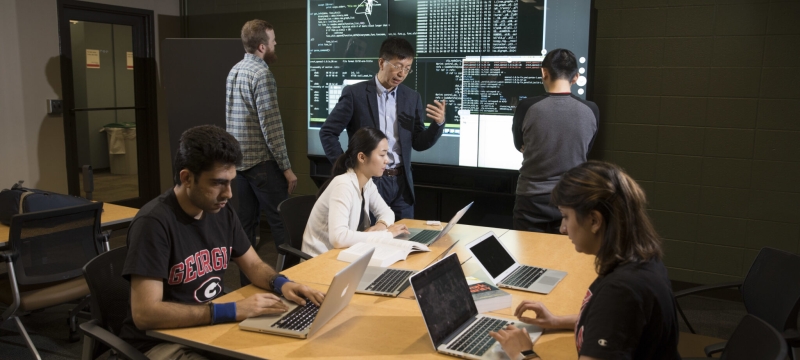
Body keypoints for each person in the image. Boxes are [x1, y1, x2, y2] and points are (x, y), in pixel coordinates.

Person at [120, 125, 324, 360]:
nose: (228, 194)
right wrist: (233, 310)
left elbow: (254, 265)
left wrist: (282, 284)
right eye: (218, 183)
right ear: (187, 178)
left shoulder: (220, 211)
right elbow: (146, 313)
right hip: (161, 343)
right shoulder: (153, 223)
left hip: (208, 328)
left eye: (230, 182)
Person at [490, 161, 680, 360]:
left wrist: (523, 353)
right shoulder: (641, 258)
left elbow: (613, 314)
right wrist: (556, 321)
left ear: (595, 221)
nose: (563, 228)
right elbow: (612, 324)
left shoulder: (620, 292)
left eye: (566, 217)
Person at [320, 37, 446, 221]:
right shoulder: (355, 94)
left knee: (405, 238)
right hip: (370, 180)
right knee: (371, 238)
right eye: (397, 66)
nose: (402, 73)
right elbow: (328, 132)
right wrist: (347, 168)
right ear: (381, 62)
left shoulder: (412, 98)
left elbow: (418, 142)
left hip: (402, 184)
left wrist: (438, 125)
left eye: (407, 68)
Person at [226, 19, 296, 286]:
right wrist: (287, 168)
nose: (276, 43)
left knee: (245, 231)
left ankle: (247, 289)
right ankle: (293, 285)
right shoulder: (262, 74)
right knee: (282, 226)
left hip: (239, 167)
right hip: (263, 166)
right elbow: (271, 126)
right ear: (262, 46)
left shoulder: (234, 71)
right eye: (274, 40)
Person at [511, 48, 599, 234]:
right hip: (573, 200)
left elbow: (519, 145)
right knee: (565, 260)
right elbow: (586, 149)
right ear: (575, 77)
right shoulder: (591, 109)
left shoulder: (527, 107)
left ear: (544, 73)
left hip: (531, 200)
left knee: (528, 259)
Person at [303, 127, 410, 257]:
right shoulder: (343, 185)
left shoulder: (367, 183)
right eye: (382, 154)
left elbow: (387, 212)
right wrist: (386, 234)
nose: (387, 160)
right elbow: (339, 238)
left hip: (342, 255)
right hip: (319, 261)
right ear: (362, 157)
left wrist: (381, 225)